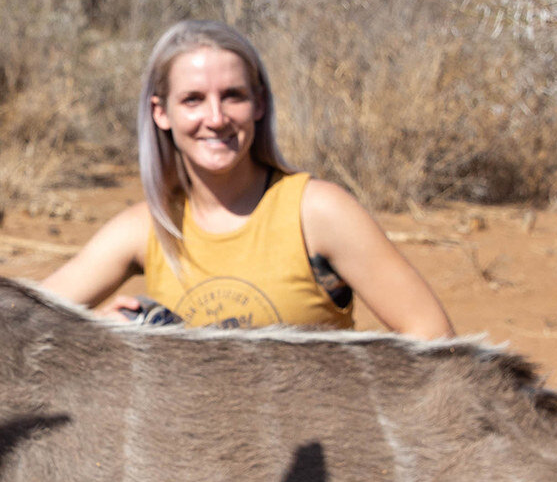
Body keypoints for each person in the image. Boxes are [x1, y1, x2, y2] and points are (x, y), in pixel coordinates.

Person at [40, 20, 457, 338]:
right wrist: (94, 336)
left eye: (233, 96)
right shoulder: (146, 227)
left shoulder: (317, 211)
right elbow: (17, 321)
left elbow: (434, 338)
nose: (216, 118)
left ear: (259, 104)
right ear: (161, 112)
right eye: (193, 100)